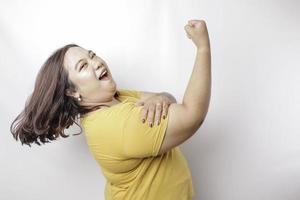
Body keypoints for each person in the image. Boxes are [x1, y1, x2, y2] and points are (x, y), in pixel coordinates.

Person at [10, 19, 211, 200]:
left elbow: (165, 99)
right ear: (72, 92)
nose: (96, 62)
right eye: (83, 66)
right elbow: (192, 115)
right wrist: (202, 48)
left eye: (92, 55)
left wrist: (162, 97)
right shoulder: (114, 124)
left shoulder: (115, 97)